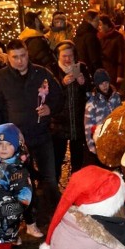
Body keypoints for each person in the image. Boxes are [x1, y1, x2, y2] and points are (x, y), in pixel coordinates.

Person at [0, 38, 63, 236]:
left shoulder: (41, 73)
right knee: (23, 184)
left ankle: (57, 216)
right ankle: (30, 221)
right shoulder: (0, 78)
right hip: (16, 142)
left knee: (50, 179)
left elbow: (58, 96)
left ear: (28, 54)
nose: (20, 61)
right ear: (8, 58)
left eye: (23, 56)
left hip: (42, 135)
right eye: (15, 57)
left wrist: (50, 108)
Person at [49, 40, 91, 182]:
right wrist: (62, 84)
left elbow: (90, 90)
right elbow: (46, 93)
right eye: (64, 56)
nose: (67, 59)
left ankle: (76, 184)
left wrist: (83, 83)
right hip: (58, 122)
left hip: (77, 121)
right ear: (58, 57)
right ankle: (55, 186)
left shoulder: (81, 67)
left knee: (77, 158)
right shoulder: (52, 69)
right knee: (57, 157)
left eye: (70, 56)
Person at [84, 69, 122, 157]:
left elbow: (120, 116)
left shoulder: (116, 97)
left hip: (114, 138)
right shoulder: (92, 102)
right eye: (101, 84)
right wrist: (91, 146)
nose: (104, 86)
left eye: (106, 83)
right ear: (97, 85)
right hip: (100, 140)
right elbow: (88, 125)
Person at [98, 15, 125, 90]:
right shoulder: (98, 36)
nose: (99, 27)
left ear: (107, 25)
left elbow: (121, 56)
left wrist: (120, 75)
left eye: (101, 25)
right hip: (101, 70)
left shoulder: (117, 36)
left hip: (112, 71)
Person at [74, 9, 103, 75]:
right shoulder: (91, 36)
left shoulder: (79, 34)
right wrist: (100, 73)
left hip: (81, 72)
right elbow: (94, 58)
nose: (98, 23)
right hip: (91, 72)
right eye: (97, 20)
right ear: (89, 20)